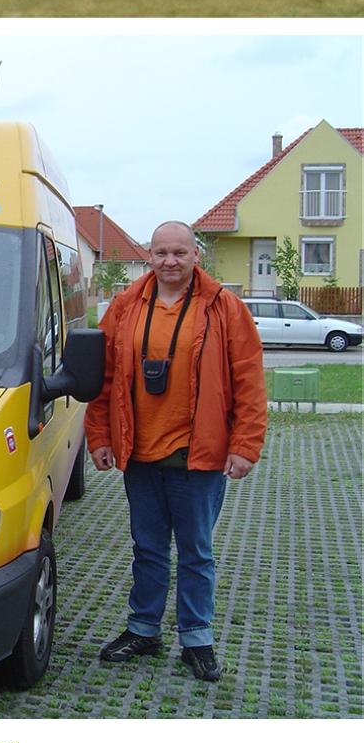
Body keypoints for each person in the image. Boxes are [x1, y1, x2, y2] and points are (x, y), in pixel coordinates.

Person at [85, 220, 266, 682]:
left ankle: (197, 638)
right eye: (161, 252)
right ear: (149, 255)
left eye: (178, 253)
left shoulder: (224, 307)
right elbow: (102, 379)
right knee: (147, 548)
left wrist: (245, 445)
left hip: (198, 456)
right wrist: (100, 437)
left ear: (195, 256)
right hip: (140, 453)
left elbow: (248, 381)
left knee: (196, 552)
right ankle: (143, 628)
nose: (169, 261)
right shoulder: (125, 306)